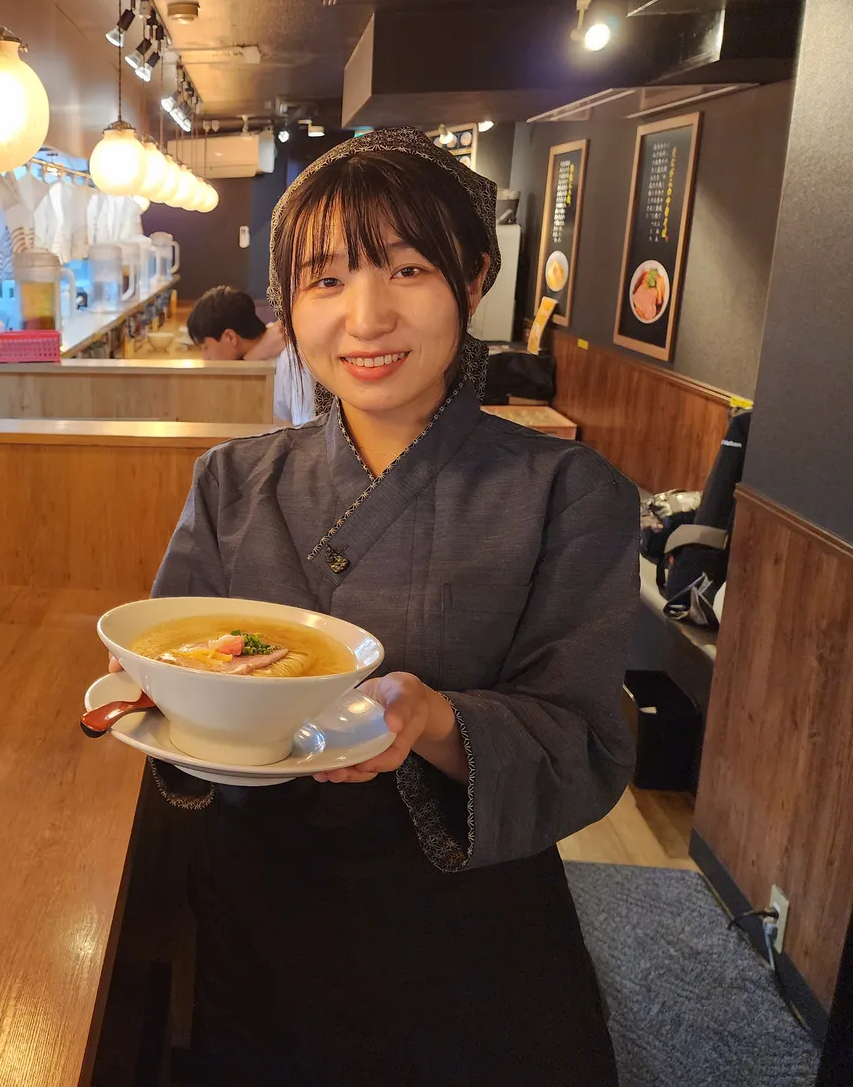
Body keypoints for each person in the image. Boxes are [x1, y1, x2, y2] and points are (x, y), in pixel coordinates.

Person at [148, 129, 637, 1085]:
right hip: (263, 908)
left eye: (407, 268)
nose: (365, 317)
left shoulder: (566, 493)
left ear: (475, 275)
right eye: (325, 281)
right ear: (287, 303)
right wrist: (152, 702)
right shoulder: (231, 483)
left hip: (466, 935)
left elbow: (585, 742)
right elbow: (169, 683)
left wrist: (432, 719)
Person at [186, 285, 315, 425]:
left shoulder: (292, 360)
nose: (205, 357)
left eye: (205, 348)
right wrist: (251, 360)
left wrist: (252, 418)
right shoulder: (256, 352)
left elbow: (308, 431)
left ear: (230, 337)